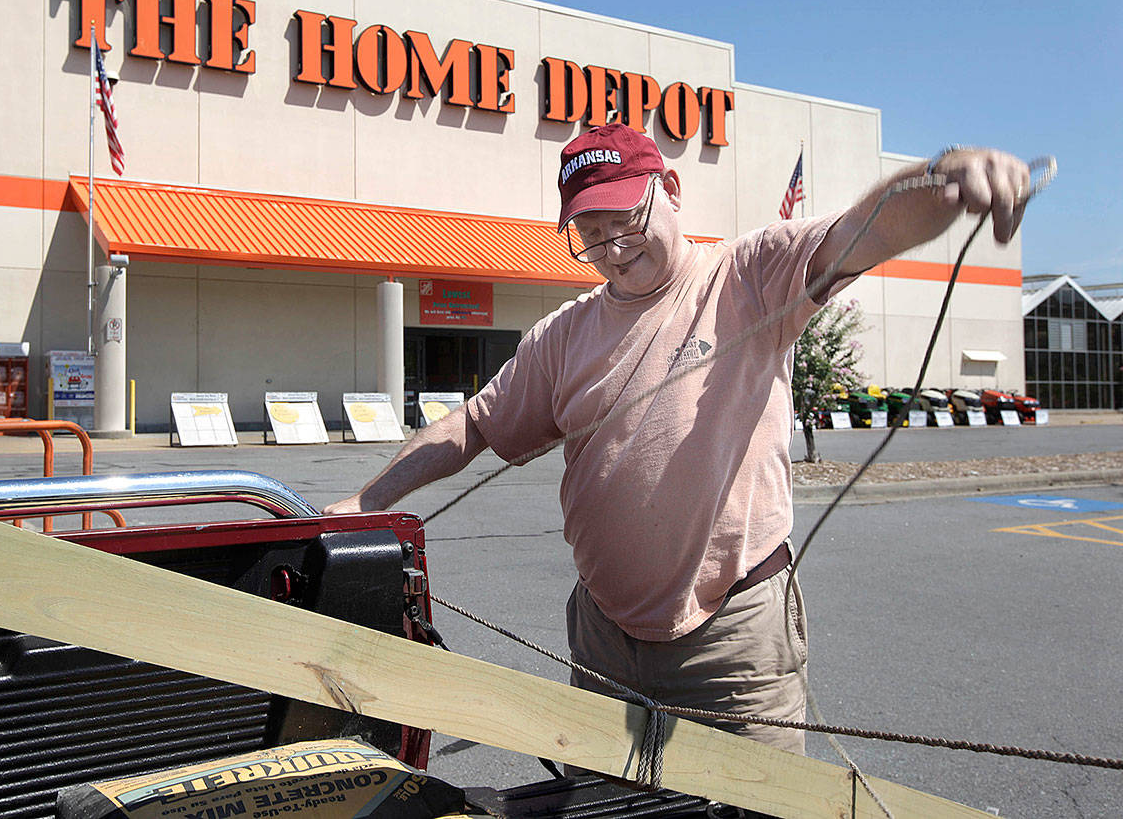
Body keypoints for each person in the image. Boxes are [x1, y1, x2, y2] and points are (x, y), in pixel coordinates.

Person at [324, 124, 1029, 755]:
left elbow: (861, 231)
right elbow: (473, 424)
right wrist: (366, 499)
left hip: (734, 644)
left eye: (624, 218)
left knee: (757, 808)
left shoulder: (748, 277)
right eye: (590, 232)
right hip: (602, 637)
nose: (612, 246)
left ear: (671, 188)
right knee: (605, 805)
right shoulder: (565, 334)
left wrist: (944, 177)